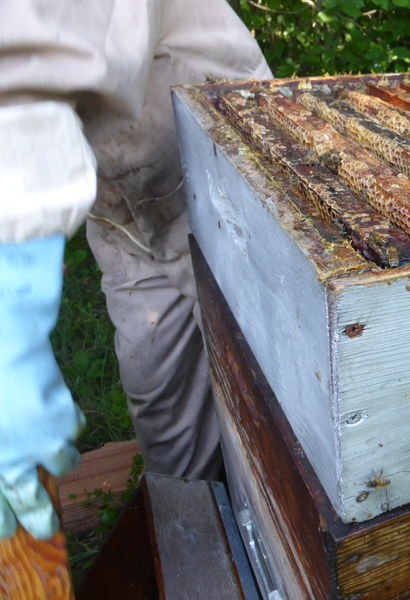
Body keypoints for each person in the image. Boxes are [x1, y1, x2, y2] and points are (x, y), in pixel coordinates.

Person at [0, 0, 271, 540]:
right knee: (157, 387)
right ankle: (194, 541)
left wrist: (12, 309)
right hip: (123, 205)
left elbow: (39, 60)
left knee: (274, 407)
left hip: (228, 178)